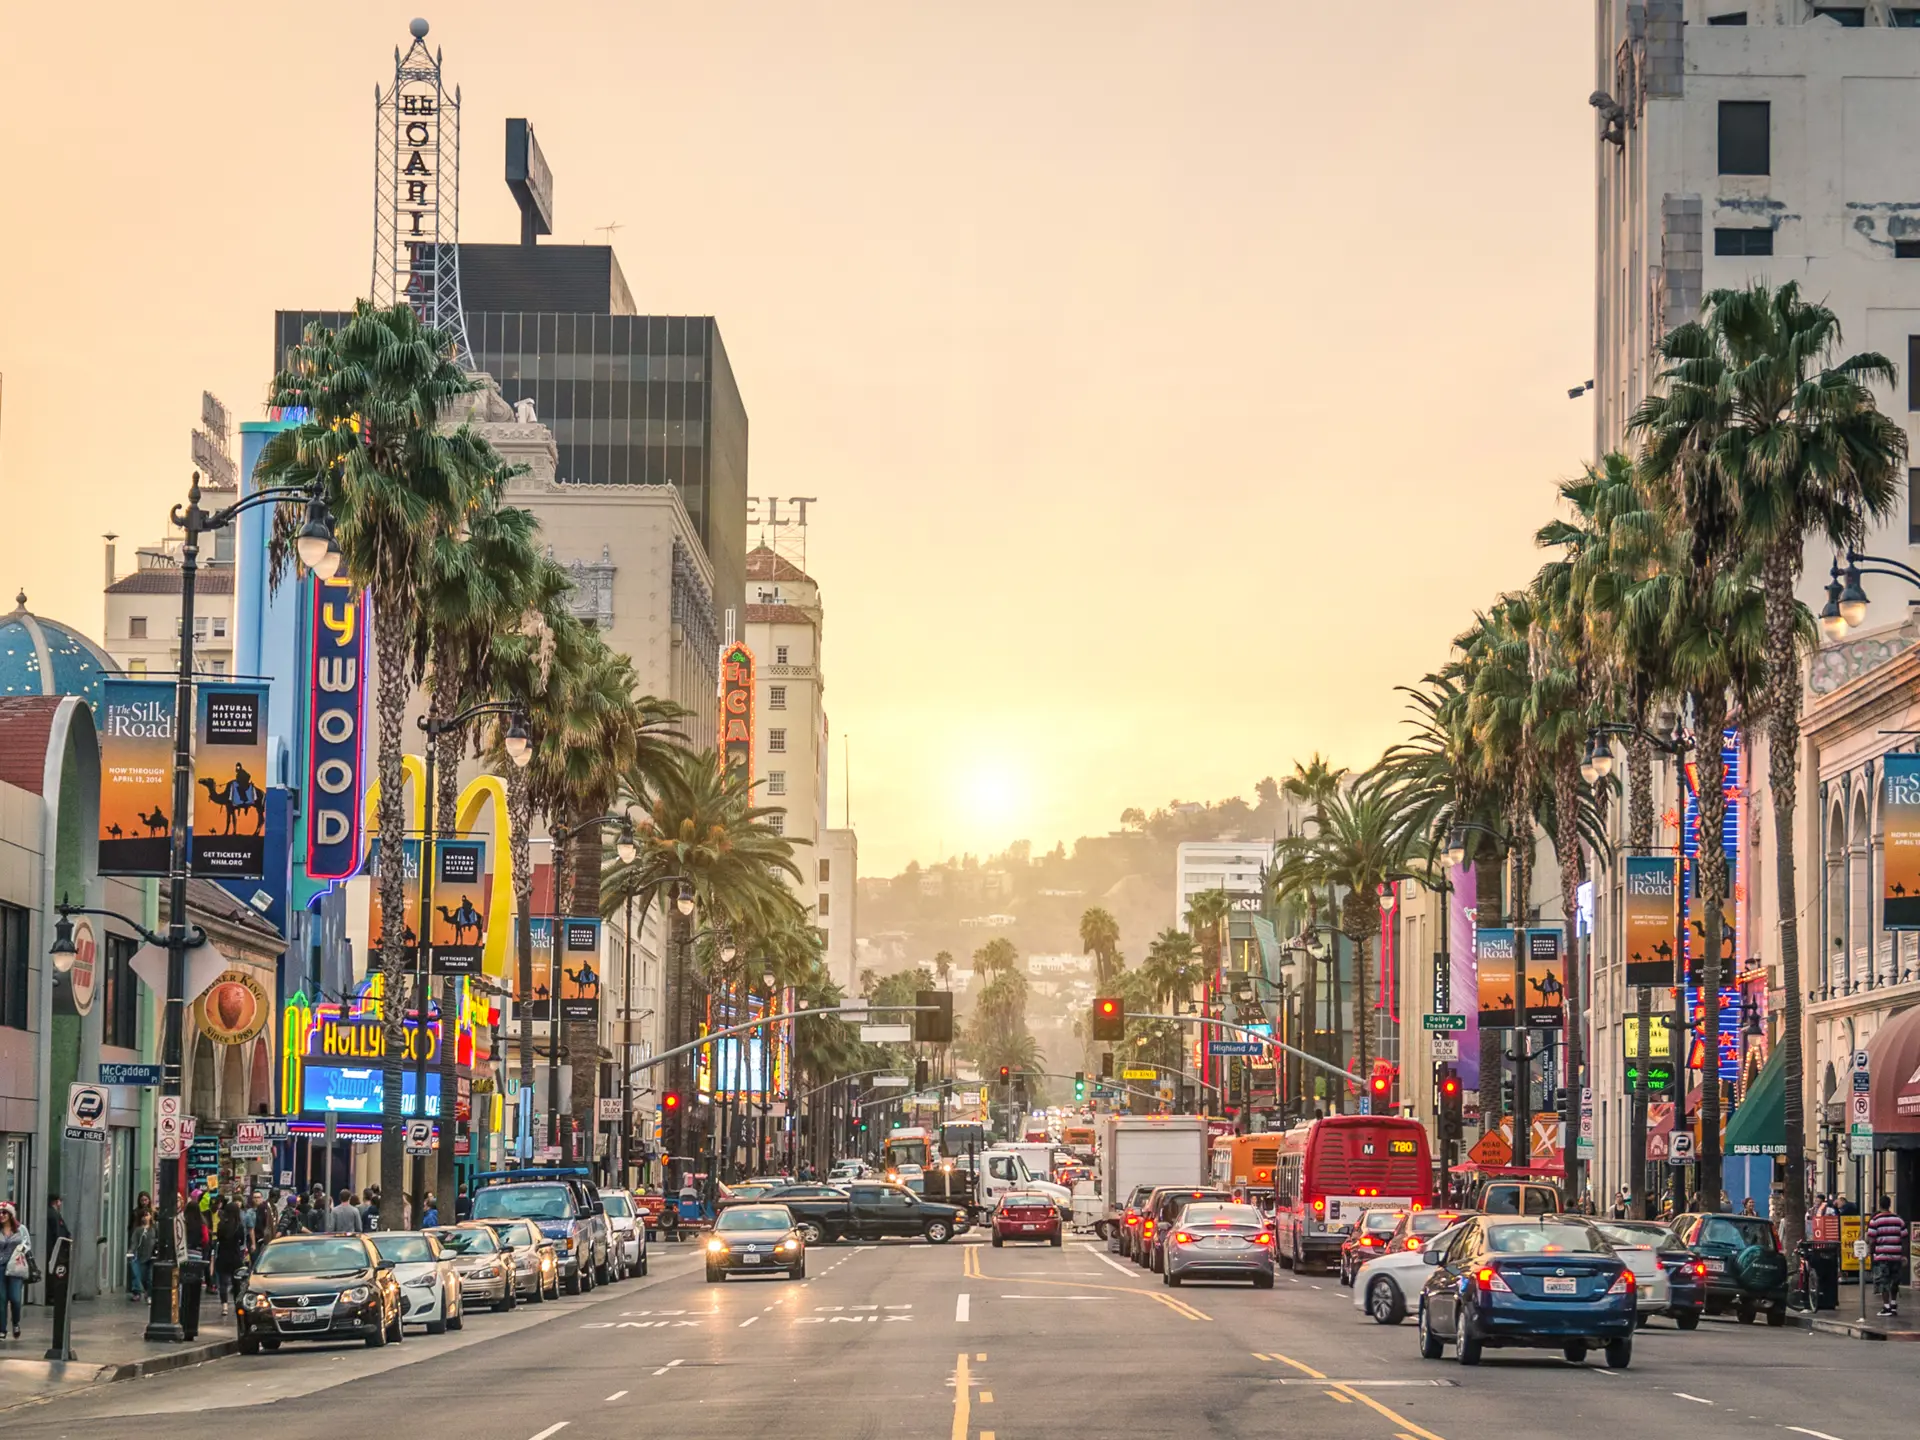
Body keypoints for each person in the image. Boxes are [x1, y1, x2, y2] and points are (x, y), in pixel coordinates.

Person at [1868, 1196, 1908, 1319]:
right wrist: (1903, 1254)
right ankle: (1894, 1304)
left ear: (1880, 1205)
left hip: (1882, 1255)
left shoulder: (1875, 1220)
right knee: (1894, 1281)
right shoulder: (1898, 1220)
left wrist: (1872, 1253)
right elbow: (1904, 1238)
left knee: (1883, 1282)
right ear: (1890, 1204)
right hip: (1896, 1255)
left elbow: (1871, 1240)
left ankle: (1886, 1307)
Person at [0, 1206, 31, 1341]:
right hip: (0, 1267)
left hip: (15, 1267)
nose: (2, 1215)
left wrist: (21, 1249)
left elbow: (28, 1244)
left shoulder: (21, 1229)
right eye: (0, 1213)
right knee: (1, 1299)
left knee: (16, 1299)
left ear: (11, 1214)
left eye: (5, 1212)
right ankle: (2, 1328)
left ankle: (16, 1322)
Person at [214, 1201, 246, 1319]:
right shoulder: (239, 1226)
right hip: (235, 1256)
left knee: (223, 1282)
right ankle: (237, 1306)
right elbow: (242, 1241)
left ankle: (224, 1306)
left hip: (223, 1255)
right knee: (236, 1283)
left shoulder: (221, 1225)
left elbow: (218, 1238)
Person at [129, 1206, 155, 1301]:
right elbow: (134, 1242)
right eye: (143, 1216)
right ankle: (140, 1291)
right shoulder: (138, 1230)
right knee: (141, 1276)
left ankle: (149, 1295)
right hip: (140, 1256)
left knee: (150, 1277)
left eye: (147, 1215)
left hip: (151, 1257)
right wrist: (131, 1251)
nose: (145, 1218)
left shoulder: (154, 1229)